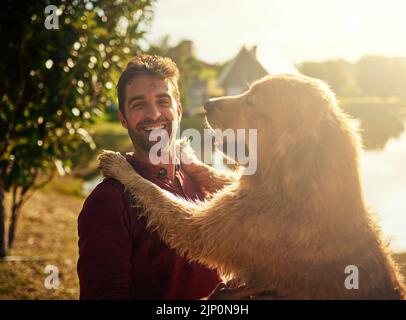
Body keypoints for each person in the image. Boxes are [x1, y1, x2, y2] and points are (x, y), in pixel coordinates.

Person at [77, 55, 223, 299]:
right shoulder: (108, 202)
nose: (154, 114)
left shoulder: (199, 180)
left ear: (178, 109)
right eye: (138, 104)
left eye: (163, 101)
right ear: (123, 119)